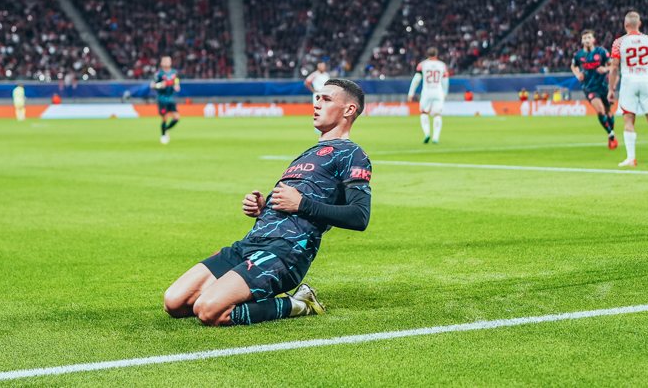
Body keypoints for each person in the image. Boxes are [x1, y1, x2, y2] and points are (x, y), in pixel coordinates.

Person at [163, 79, 372, 326]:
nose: (316, 105)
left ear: (349, 110)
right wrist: (263, 209)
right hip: (251, 242)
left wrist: (301, 204)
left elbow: (360, 216)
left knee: (209, 311)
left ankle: (298, 304)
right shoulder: (309, 153)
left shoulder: (352, 154)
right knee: (174, 302)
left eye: (326, 100)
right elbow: (293, 201)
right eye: (317, 98)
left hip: (286, 250)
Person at [608, 12, 648, 166]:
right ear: (639, 24)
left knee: (628, 120)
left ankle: (631, 158)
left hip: (628, 82)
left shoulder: (619, 42)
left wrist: (610, 89)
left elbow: (614, 67)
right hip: (646, 81)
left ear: (625, 24)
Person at [571, 29, 618, 149]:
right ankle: (611, 135)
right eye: (584, 38)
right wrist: (577, 75)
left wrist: (605, 69)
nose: (587, 40)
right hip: (589, 88)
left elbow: (613, 65)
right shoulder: (578, 55)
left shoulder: (601, 52)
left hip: (603, 87)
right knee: (601, 110)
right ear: (582, 41)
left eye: (589, 38)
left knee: (609, 112)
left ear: (593, 39)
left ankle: (610, 132)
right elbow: (573, 65)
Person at [408, 47, 449, 144]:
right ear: (436, 54)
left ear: (427, 55)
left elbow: (416, 80)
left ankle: (427, 134)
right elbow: (445, 81)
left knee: (424, 112)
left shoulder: (422, 65)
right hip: (438, 91)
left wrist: (411, 93)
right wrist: (445, 93)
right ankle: (435, 138)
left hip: (427, 92)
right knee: (437, 114)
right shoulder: (442, 65)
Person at [151, 56, 181, 145]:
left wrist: (177, 85)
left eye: (169, 61)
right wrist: (160, 85)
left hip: (171, 98)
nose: (168, 62)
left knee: (176, 117)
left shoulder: (174, 72)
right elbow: (152, 85)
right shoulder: (158, 74)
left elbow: (176, 81)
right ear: (162, 63)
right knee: (164, 118)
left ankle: (166, 129)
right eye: (166, 61)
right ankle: (163, 135)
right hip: (162, 98)